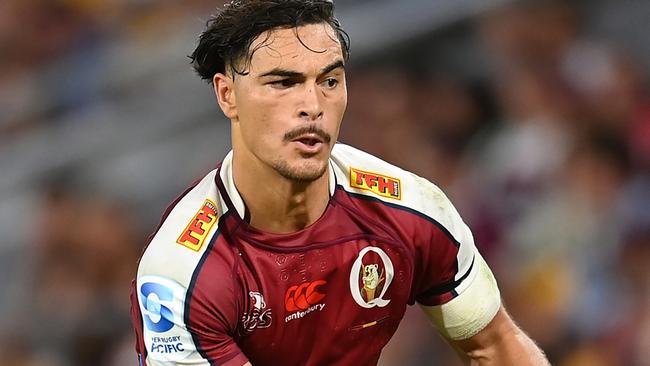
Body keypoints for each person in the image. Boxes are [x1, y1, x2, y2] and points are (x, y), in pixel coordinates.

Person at [130, 1, 550, 365]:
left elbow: (495, 346)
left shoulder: (412, 210)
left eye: (329, 81)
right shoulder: (182, 273)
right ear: (228, 95)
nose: (312, 107)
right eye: (283, 83)